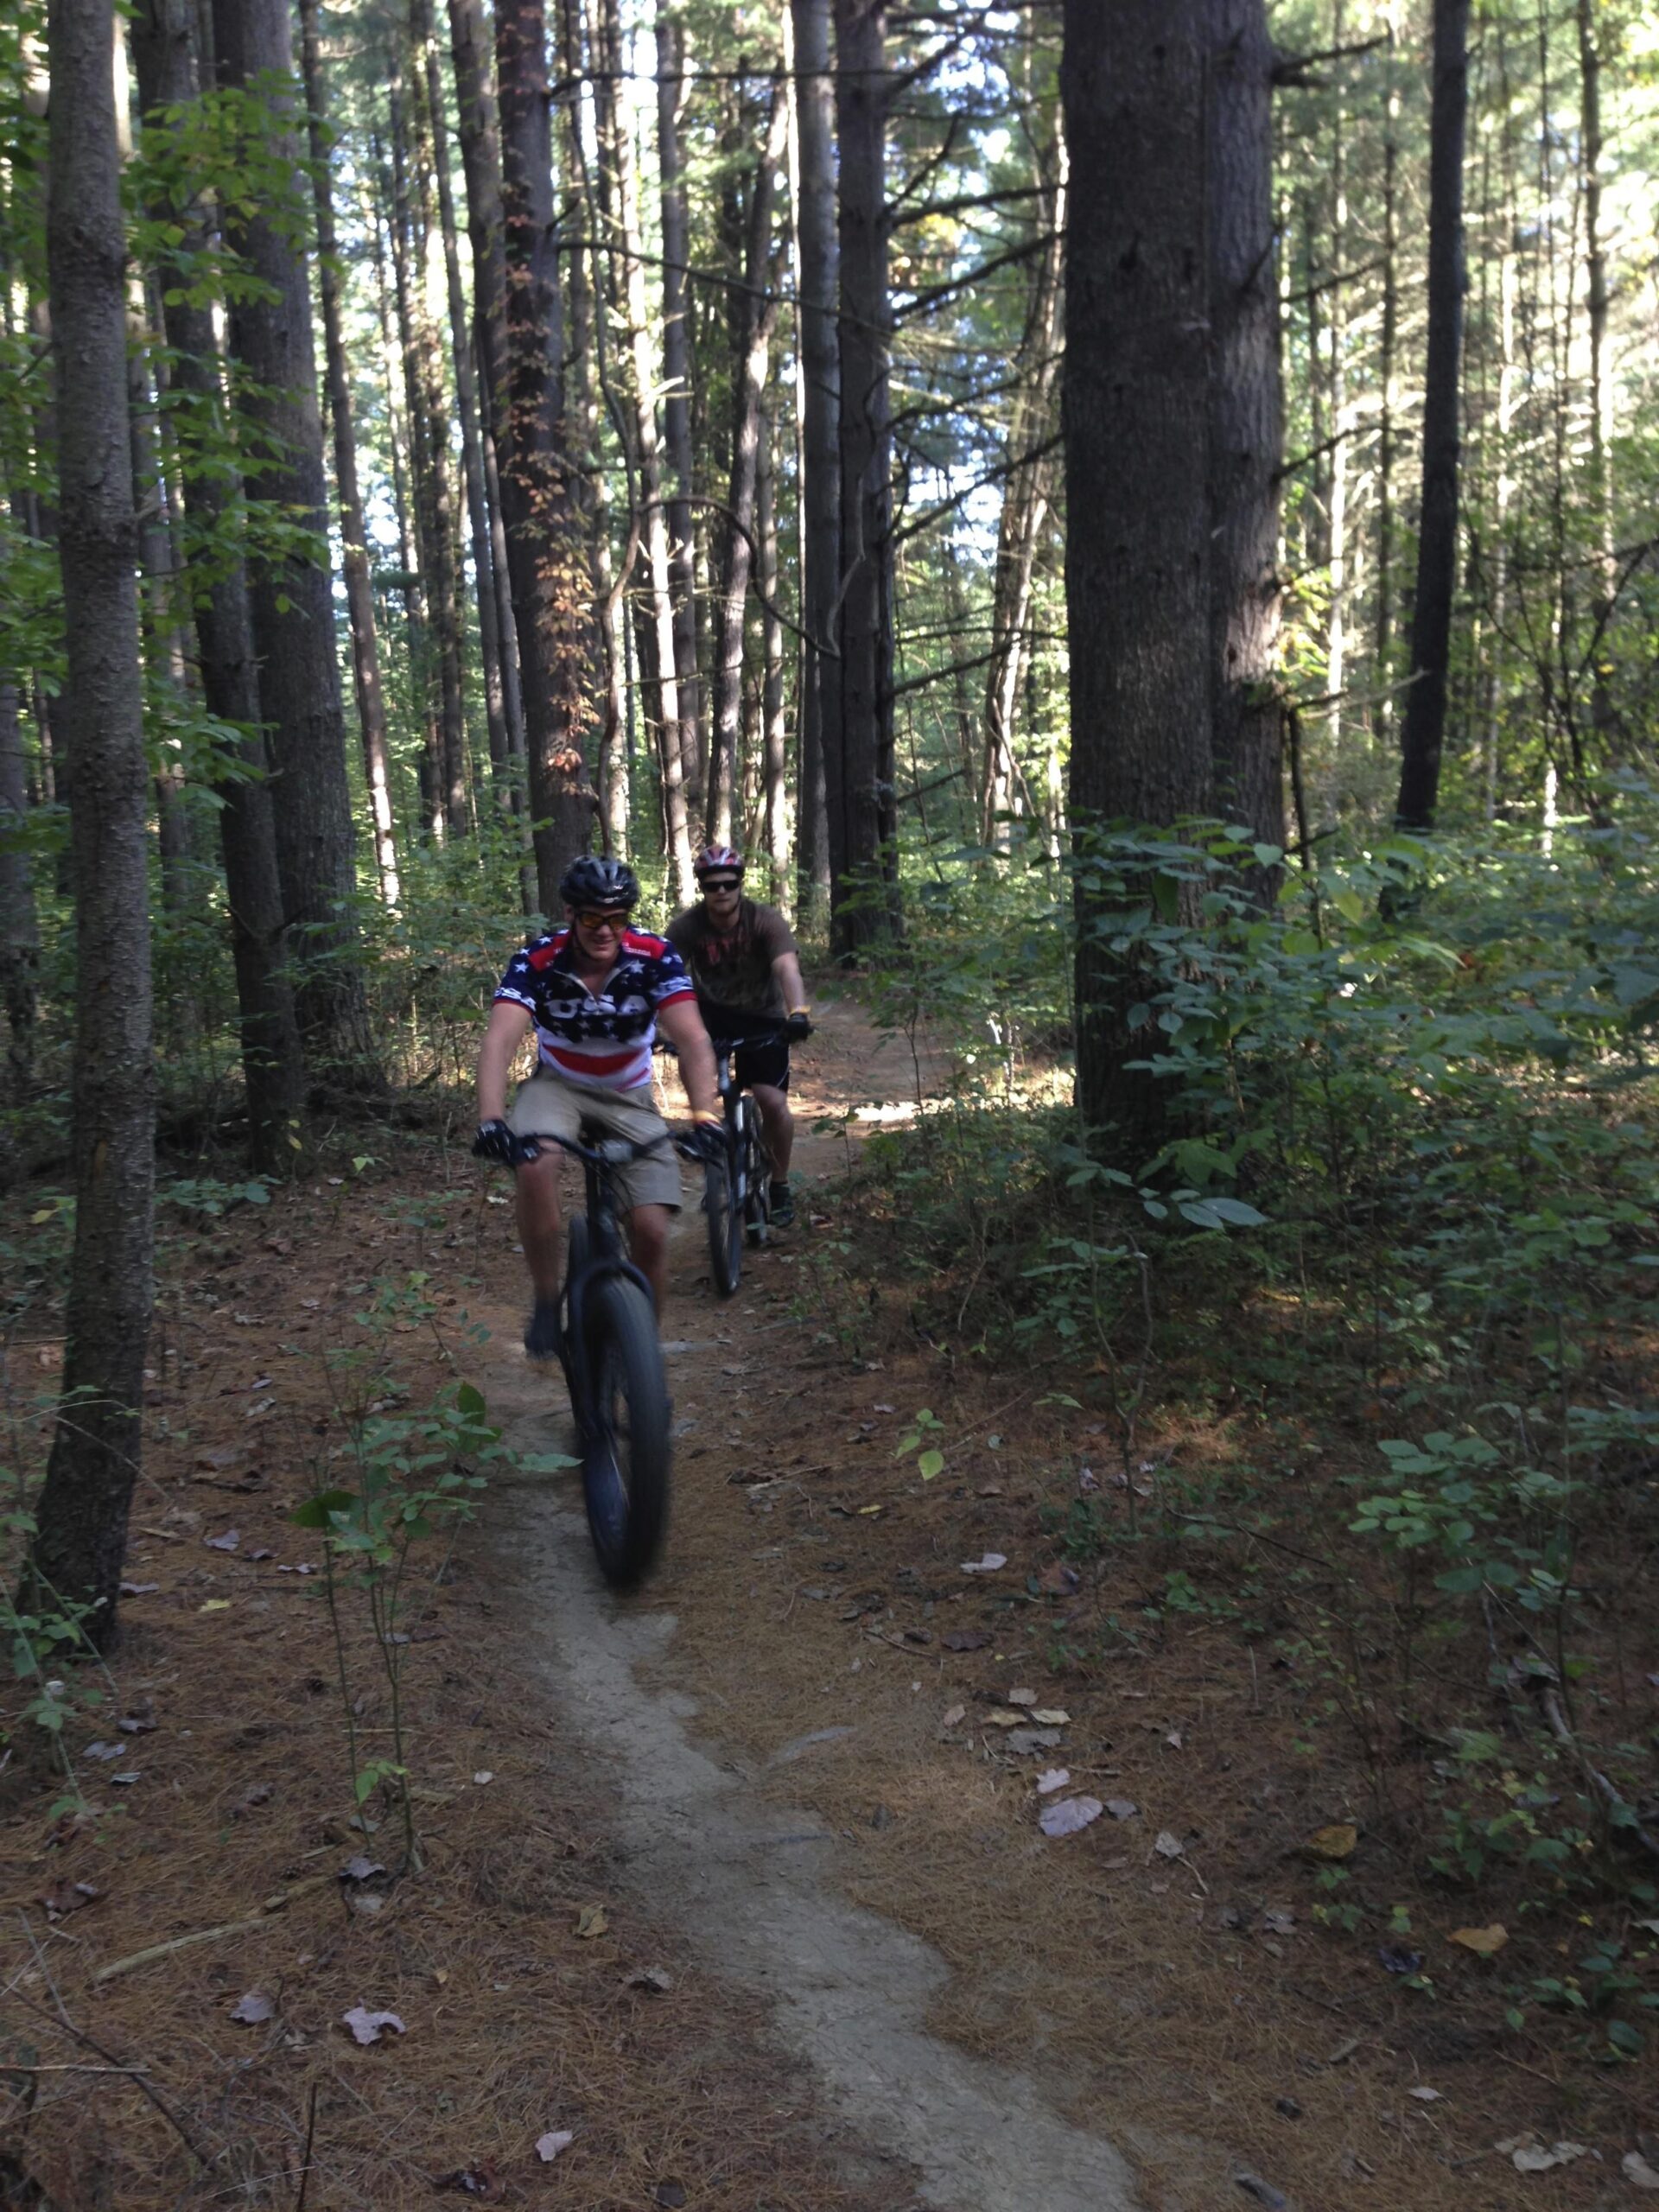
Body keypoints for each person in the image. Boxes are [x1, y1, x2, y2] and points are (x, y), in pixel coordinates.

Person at [474, 856, 723, 1356]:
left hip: (628, 1094)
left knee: (652, 1230)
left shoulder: (655, 955)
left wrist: (705, 1115)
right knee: (536, 1162)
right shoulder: (538, 959)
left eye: (617, 918)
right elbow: (500, 1040)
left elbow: (694, 1039)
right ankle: (547, 1300)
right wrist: (491, 1119)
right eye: (592, 918)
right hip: (558, 1085)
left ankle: (642, 1355)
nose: (605, 930)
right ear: (571, 913)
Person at [666, 845, 810, 1227]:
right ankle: (713, 1149)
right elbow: (662, 977)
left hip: (762, 1017)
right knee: (703, 1094)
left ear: (740, 884)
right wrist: (650, 1024)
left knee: (772, 1102)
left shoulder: (764, 920)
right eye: (712, 885)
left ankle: (778, 1184)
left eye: (729, 883)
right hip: (708, 1018)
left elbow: (787, 968)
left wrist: (797, 1013)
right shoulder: (686, 927)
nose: (721, 891)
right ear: (702, 887)